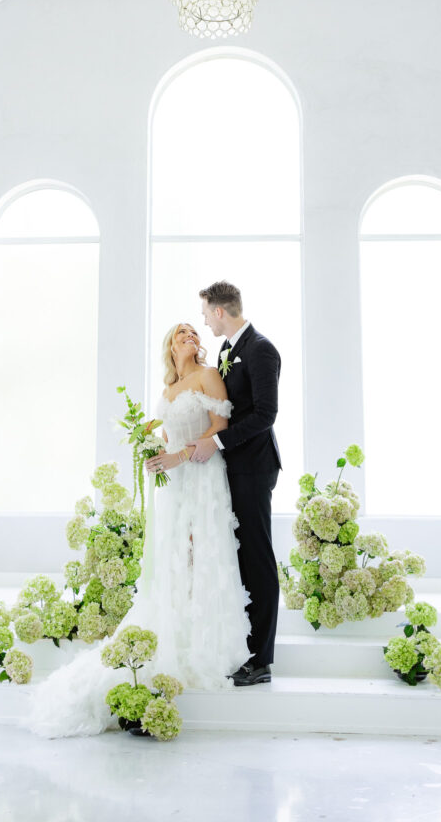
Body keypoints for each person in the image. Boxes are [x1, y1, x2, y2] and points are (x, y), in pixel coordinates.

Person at [26, 322, 250, 738]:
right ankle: (175, 624)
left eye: (193, 331)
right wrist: (152, 450)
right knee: (173, 556)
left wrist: (179, 457)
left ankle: (201, 637)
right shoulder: (167, 391)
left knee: (199, 550)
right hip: (174, 480)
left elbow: (218, 429)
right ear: (170, 345)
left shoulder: (208, 375)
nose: (190, 335)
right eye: (181, 331)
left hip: (201, 475)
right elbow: (167, 435)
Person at [189, 281, 281, 687]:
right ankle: (240, 647)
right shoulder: (228, 351)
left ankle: (261, 660)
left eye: (206, 313)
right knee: (238, 557)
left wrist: (217, 441)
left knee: (257, 557)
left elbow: (265, 414)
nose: (204, 320)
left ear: (221, 312)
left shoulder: (261, 349)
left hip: (255, 467)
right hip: (230, 468)